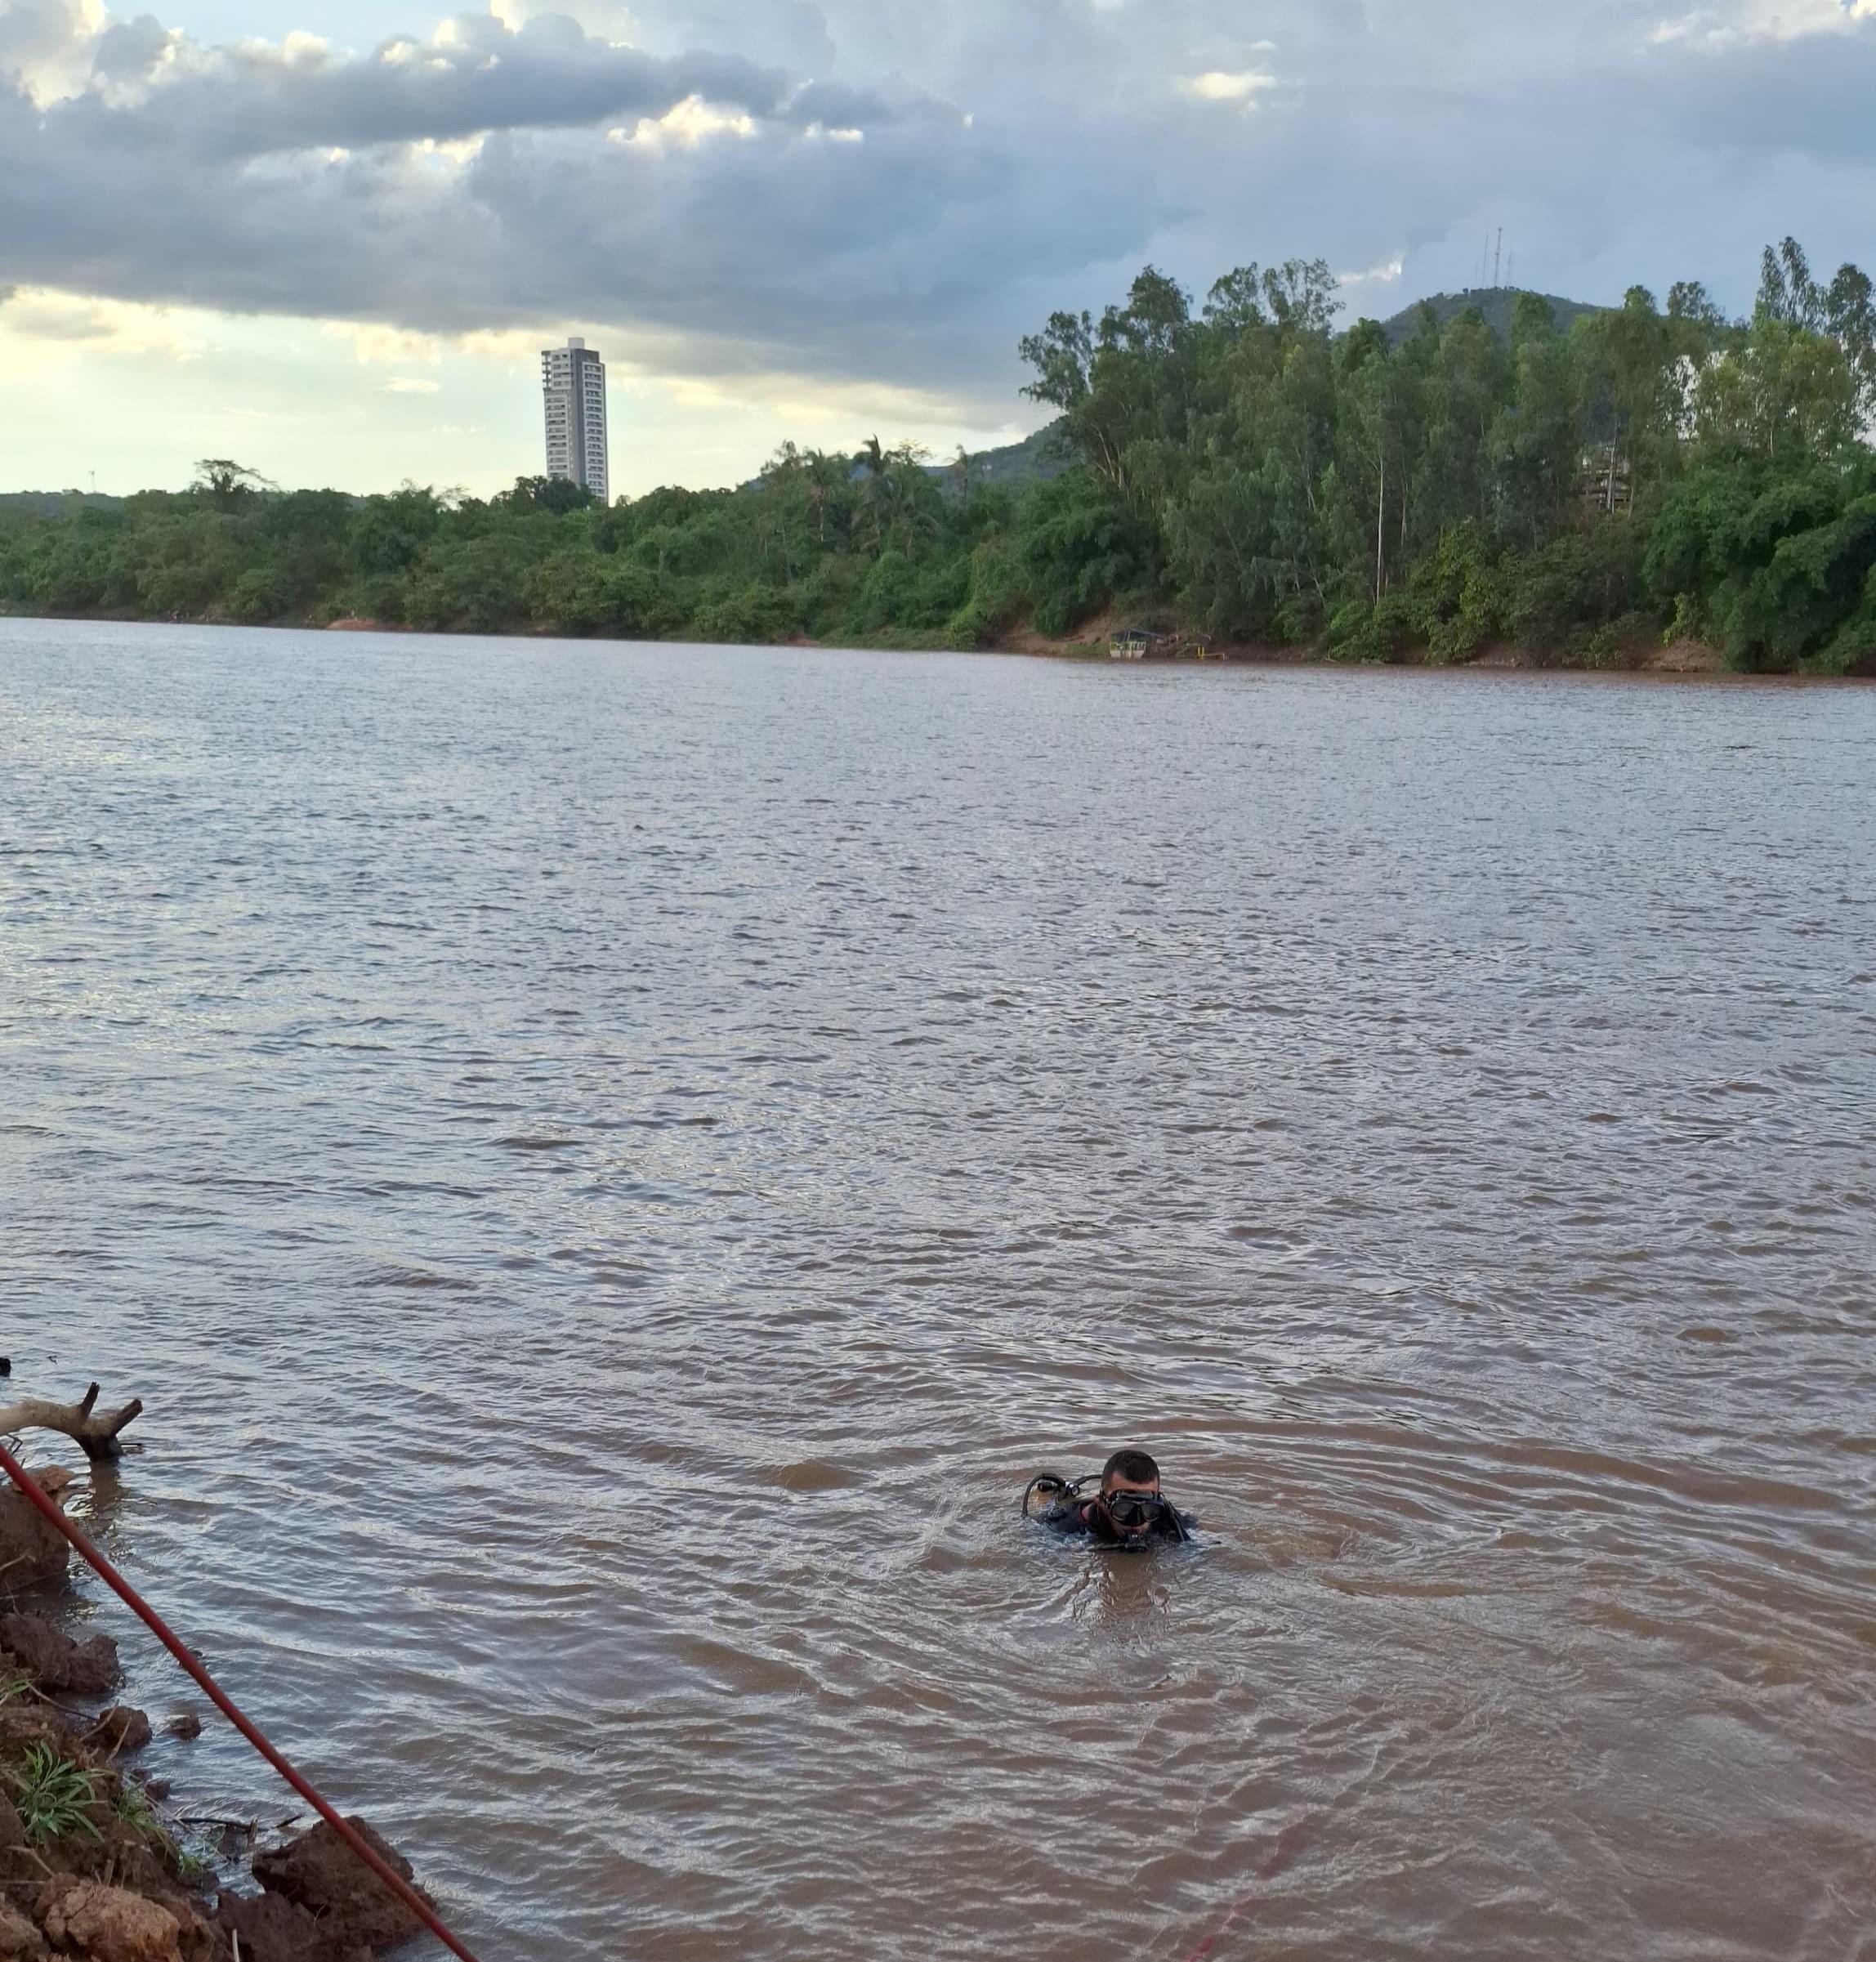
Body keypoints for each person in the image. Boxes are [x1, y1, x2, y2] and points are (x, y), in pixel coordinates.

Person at [1025, 1448, 1195, 1546]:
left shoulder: (1165, 1518)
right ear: (1100, 1502)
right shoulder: (1064, 1528)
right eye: (1124, 1509)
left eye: (1148, 1510)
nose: (1136, 1523)